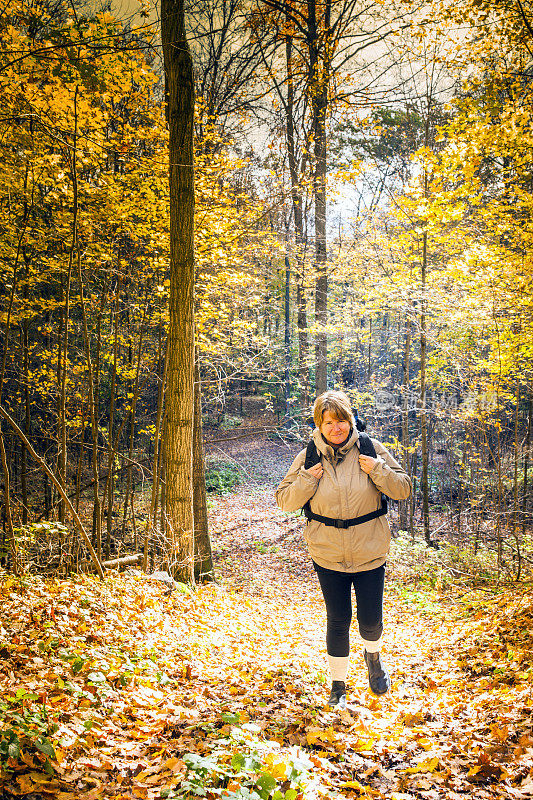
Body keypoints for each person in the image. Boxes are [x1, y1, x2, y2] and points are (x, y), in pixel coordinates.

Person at [275, 390, 412, 708]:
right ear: (319, 426)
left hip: (369, 549)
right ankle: (338, 685)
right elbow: (285, 500)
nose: (336, 427)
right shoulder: (309, 456)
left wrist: (378, 470)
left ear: (350, 420)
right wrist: (307, 481)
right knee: (338, 619)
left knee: (370, 619)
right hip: (327, 552)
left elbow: (403, 488)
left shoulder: (370, 449)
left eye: (341, 420)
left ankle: (373, 658)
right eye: (328, 422)